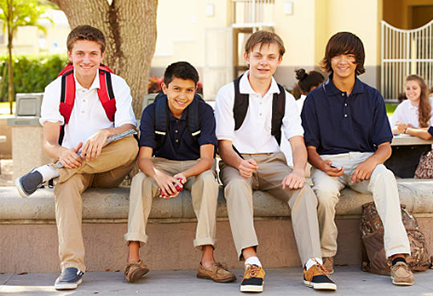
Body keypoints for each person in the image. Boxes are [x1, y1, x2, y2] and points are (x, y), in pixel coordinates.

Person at [15, 25, 138, 290]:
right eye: (80, 53)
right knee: (66, 186)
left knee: (131, 146)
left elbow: (129, 128)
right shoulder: (56, 89)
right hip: (74, 168)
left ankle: (51, 172)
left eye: (93, 53)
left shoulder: (115, 84)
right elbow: (49, 142)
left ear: (101, 56)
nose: (86, 60)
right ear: (69, 55)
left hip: (109, 169)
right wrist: (62, 153)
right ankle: (72, 267)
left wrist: (105, 133)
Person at [215, 30, 336, 293]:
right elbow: (224, 146)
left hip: (272, 161)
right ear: (247, 57)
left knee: (303, 191)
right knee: (235, 188)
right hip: (236, 161)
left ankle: (313, 263)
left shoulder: (285, 98)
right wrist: (238, 163)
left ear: (280, 60)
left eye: (271, 57)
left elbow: (297, 142)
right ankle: (252, 262)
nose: (263, 62)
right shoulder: (228, 93)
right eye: (258, 56)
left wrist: (298, 170)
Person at [301, 31, 414, 286]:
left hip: (366, 161)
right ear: (329, 60)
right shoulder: (315, 99)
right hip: (328, 163)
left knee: (385, 178)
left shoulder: (372, 96)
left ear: (358, 62)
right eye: (337, 55)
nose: (343, 61)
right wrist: (321, 165)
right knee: (324, 194)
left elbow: (385, 146)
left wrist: (371, 163)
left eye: (350, 56)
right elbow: (309, 148)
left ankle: (398, 259)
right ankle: (325, 256)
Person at [123, 61, 236, 284]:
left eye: (188, 90)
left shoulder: (204, 112)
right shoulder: (151, 112)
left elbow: (207, 160)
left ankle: (207, 261)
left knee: (208, 182)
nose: (182, 96)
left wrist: (182, 177)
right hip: (162, 164)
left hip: (195, 166)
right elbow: (144, 160)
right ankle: (132, 259)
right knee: (140, 181)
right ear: (164, 89)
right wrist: (159, 176)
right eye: (176, 89)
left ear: (196, 90)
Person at [282, 69, 325, 166]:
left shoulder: (294, 104)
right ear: (314, 88)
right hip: (302, 164)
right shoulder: (316, 107)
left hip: (285, 162)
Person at [390, 75, 433, 146]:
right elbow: (391, 127)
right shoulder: (403, 106)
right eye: (408, 88)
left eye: (414, 88)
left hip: (431, 148)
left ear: (421, 89)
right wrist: (399, 129)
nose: (411, 91)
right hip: (408, 147)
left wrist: (410, 130)